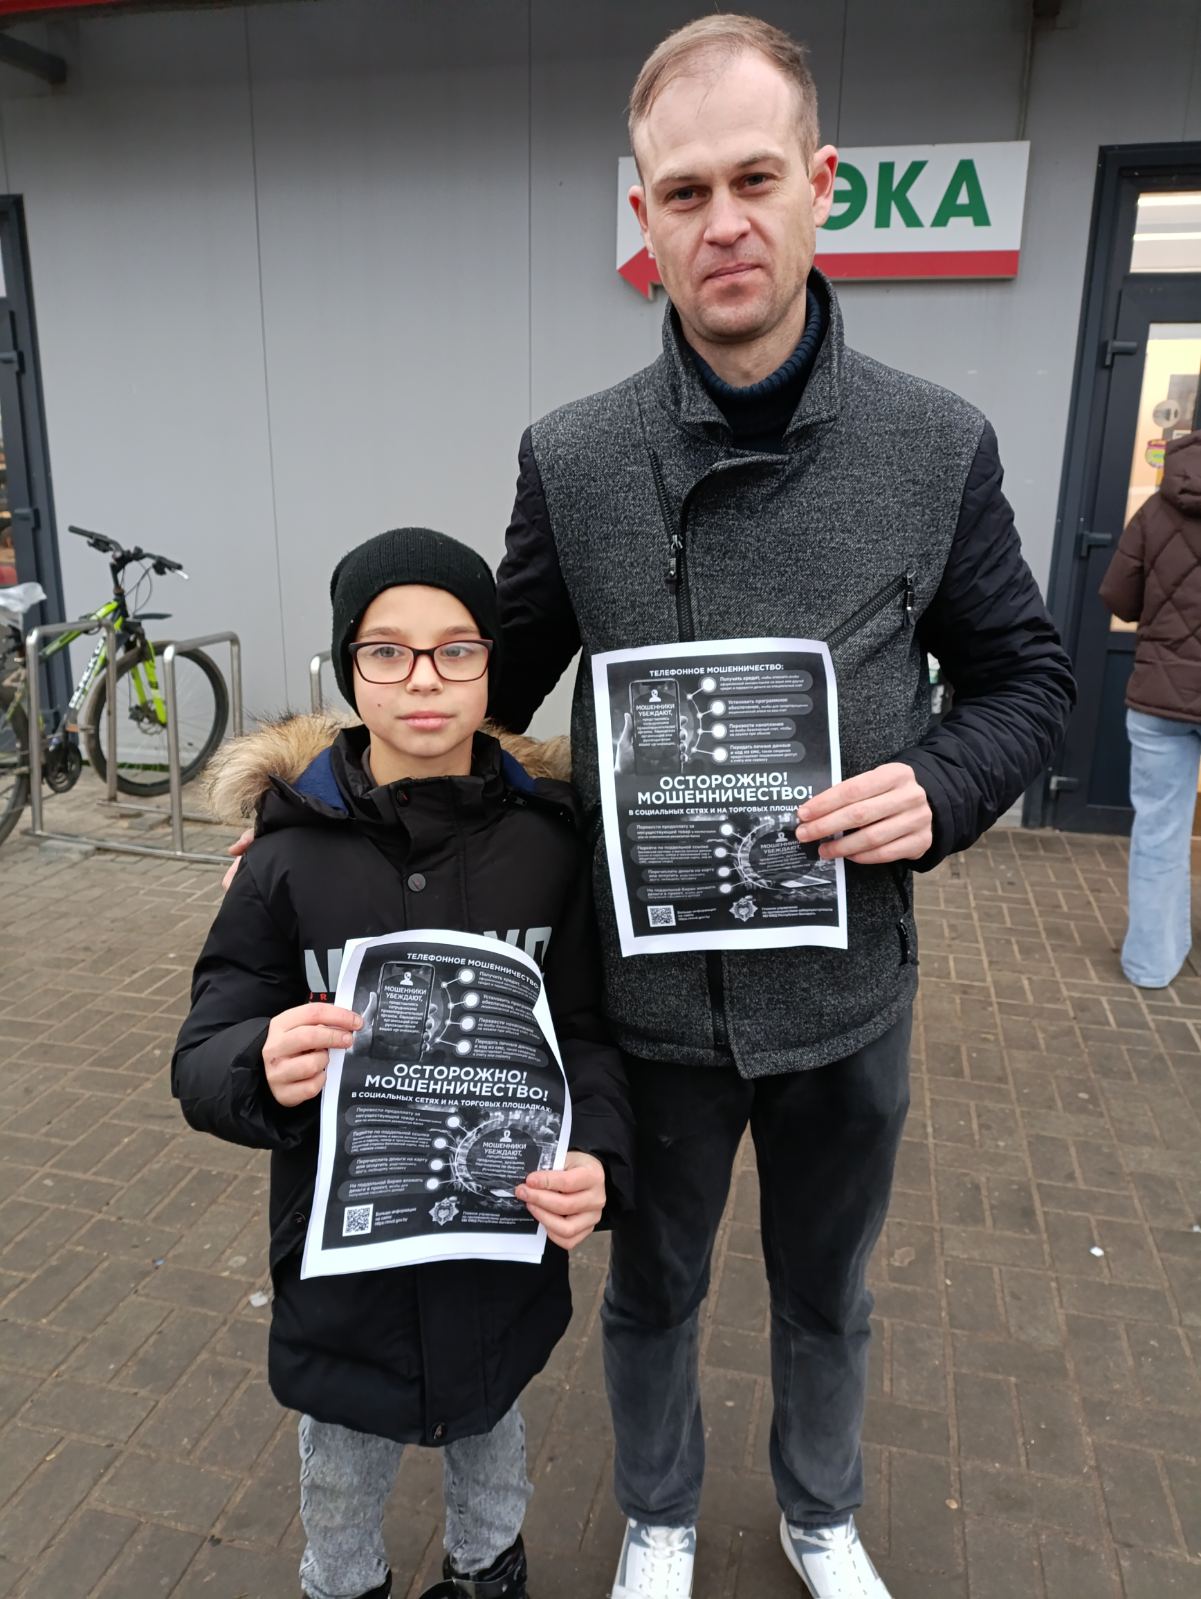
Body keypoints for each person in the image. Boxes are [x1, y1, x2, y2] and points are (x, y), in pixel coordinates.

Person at [492, 16, 1075, 1599]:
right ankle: (660, 1515)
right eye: (685, 193)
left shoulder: (934, 444)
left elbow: (1027, 679)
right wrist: (325, 809)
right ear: (646, 217)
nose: (724, 222)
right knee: (653, 1290)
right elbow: (485, 698)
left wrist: (942, 782)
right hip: (650, 1008)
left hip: (844, 991)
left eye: (755, 179)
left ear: (823, 185)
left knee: (828, 1293)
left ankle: (820, 1510)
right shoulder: (575, 459)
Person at [173, 527, 632, 1599]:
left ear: (490, 665)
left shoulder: (550, 844)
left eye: (455, 649)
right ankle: (342, 1584)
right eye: (387, 651)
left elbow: (586, 1031)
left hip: (498, 1245)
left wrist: (601, 1159)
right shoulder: (286, 856)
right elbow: (205, 1043)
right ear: (348, 666)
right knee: (339, 1468)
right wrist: (256, 1060)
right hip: (342, 1265)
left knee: (492, 1440)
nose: (423, 678)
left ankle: (488, 1574)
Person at [1100, 428, 1201, 988]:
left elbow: (1119, 595)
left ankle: (1149, 964)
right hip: (1163, 693)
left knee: (1160, 831)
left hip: (1161, 694)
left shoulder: (1159, 508)